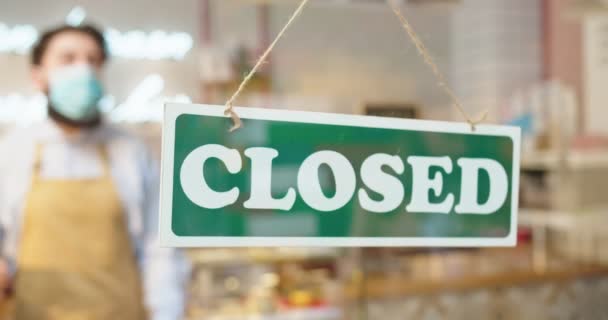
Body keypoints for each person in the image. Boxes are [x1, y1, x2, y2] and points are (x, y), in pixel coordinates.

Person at [0, 24, 189, 319]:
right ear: (37, 77)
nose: (84, 70)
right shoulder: (12, 151)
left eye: (93, 60)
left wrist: (166, 313)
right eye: (68, 59)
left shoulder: (132, 151)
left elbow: (160, 250)